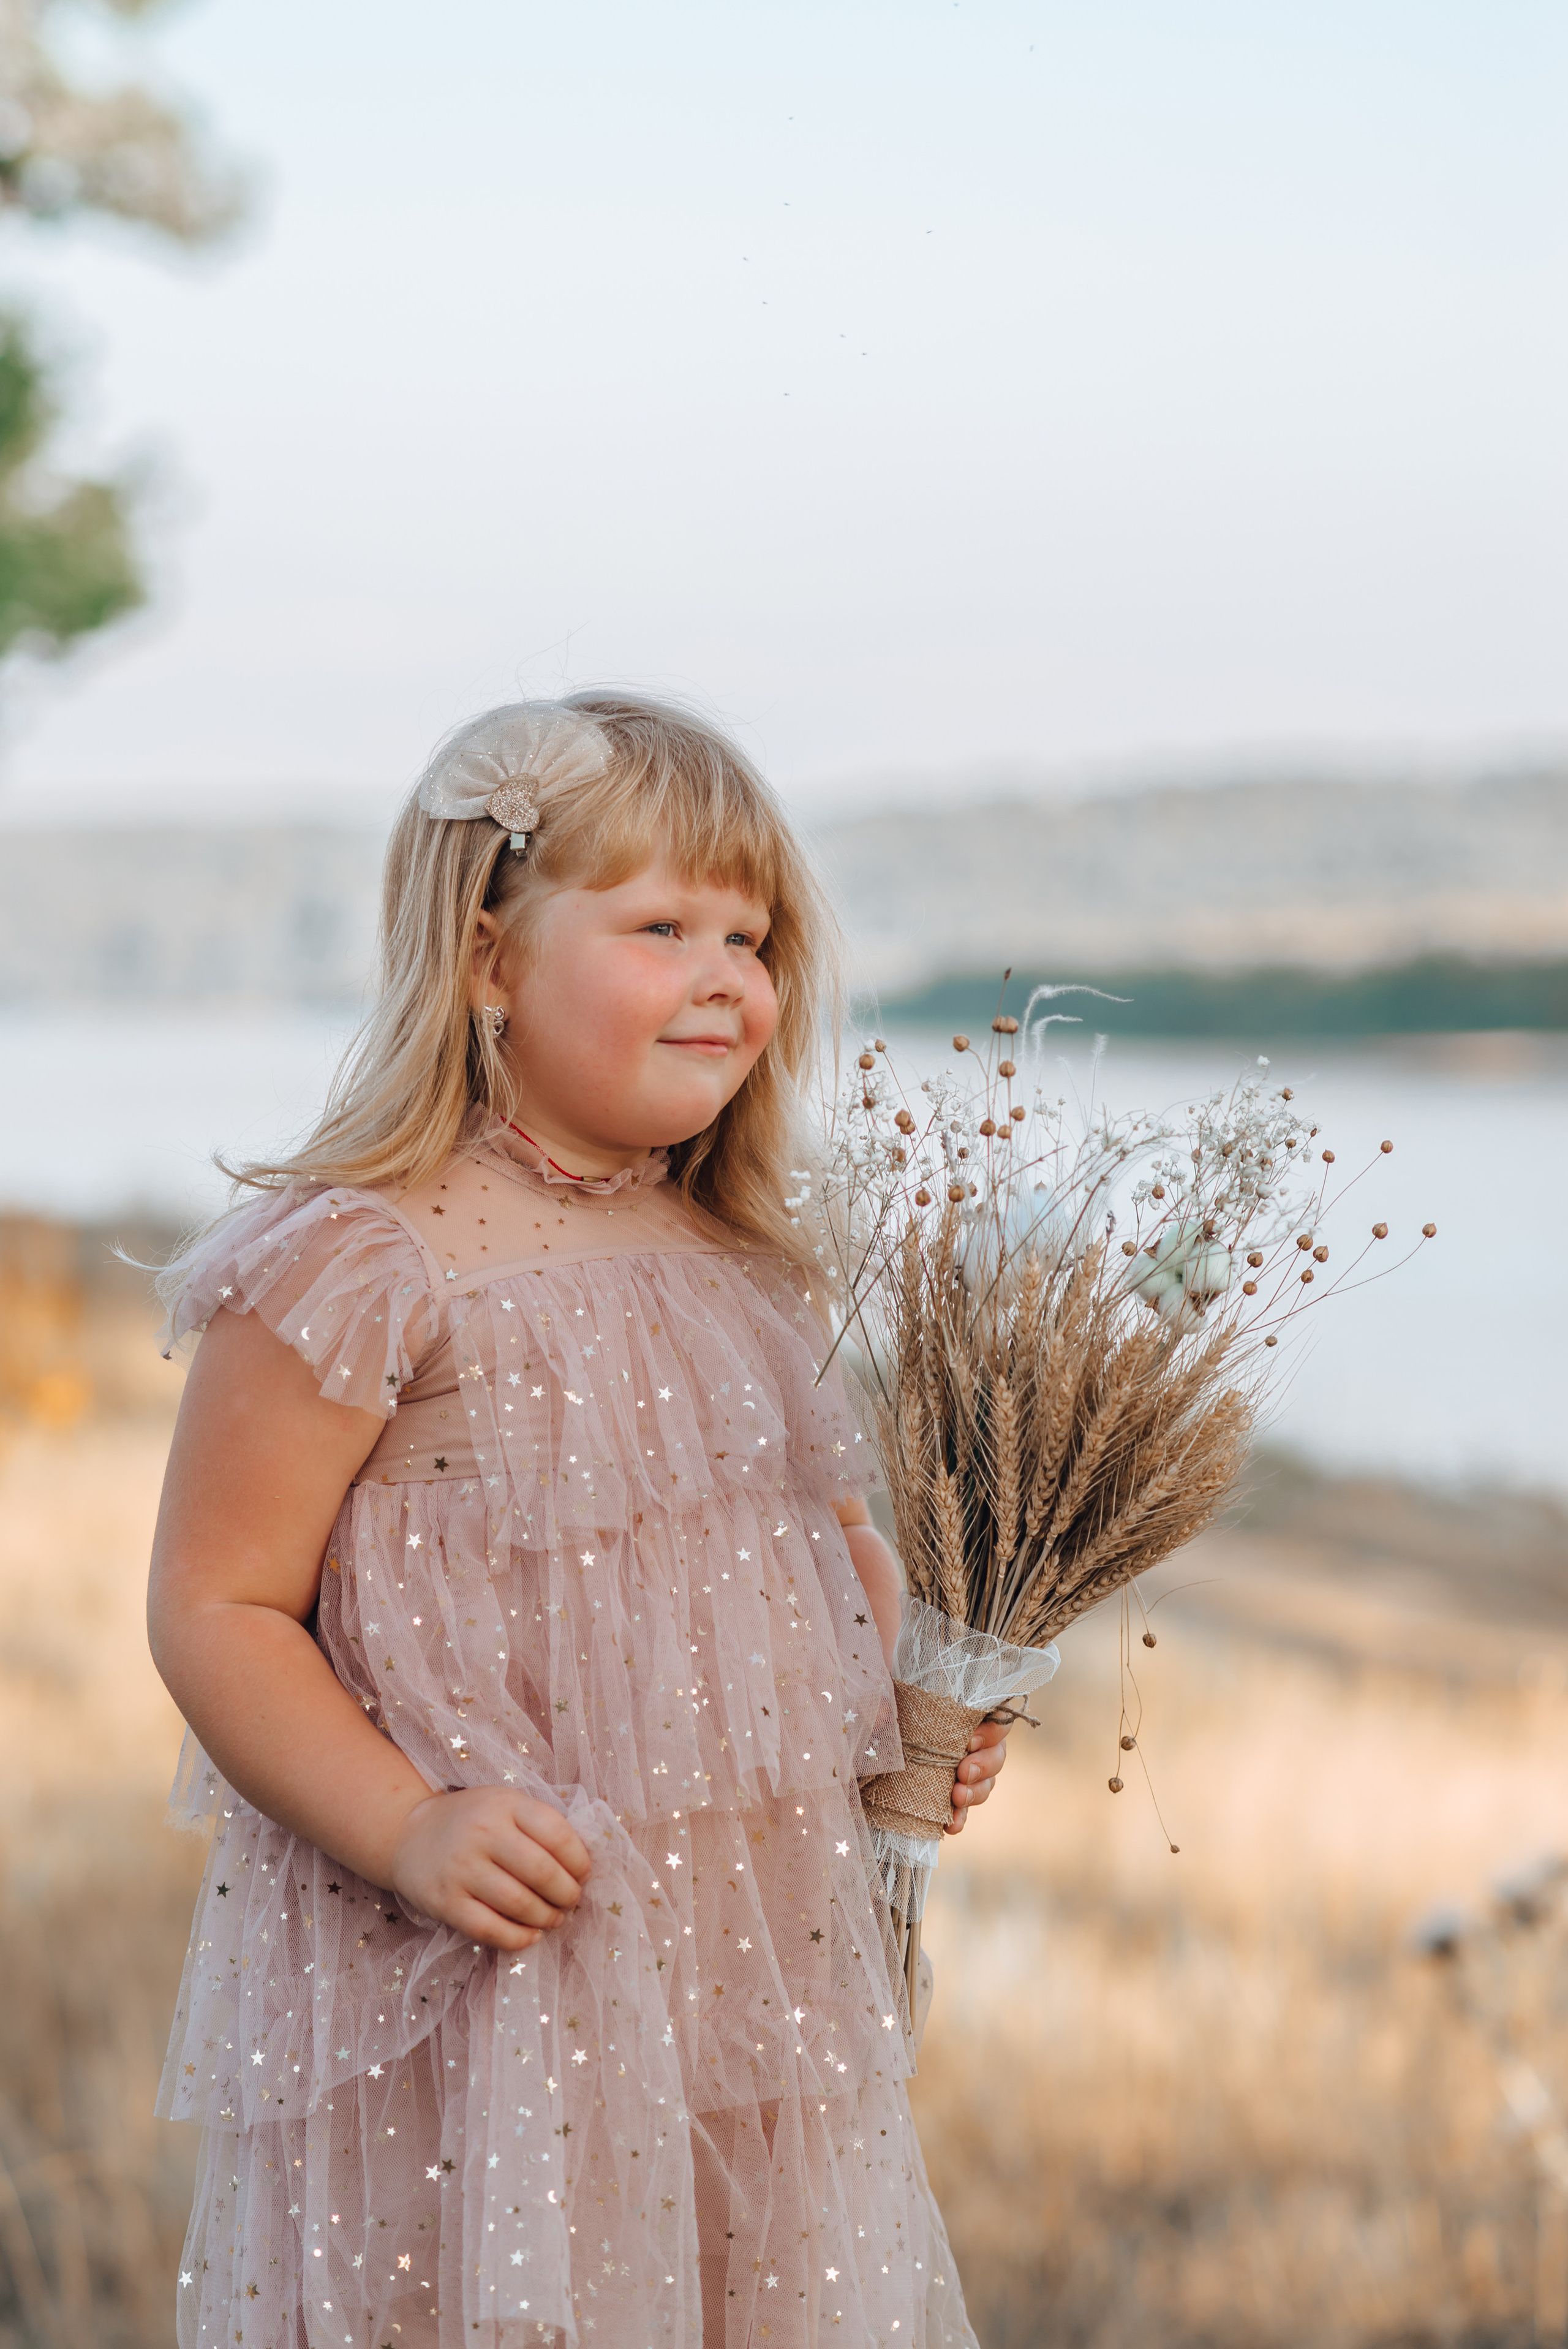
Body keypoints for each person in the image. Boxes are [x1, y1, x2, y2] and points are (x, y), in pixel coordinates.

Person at [146, 694, 1011, 2348]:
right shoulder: (363, 1258)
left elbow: (817, 1552)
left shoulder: (745, 1263)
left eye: (752, 935)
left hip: (738, 1977)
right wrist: (407, 1823)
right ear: (485, 959)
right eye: (661, 924)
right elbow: (217, 1606)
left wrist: (894, 1710)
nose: (727, 977)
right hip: (492, 1976)